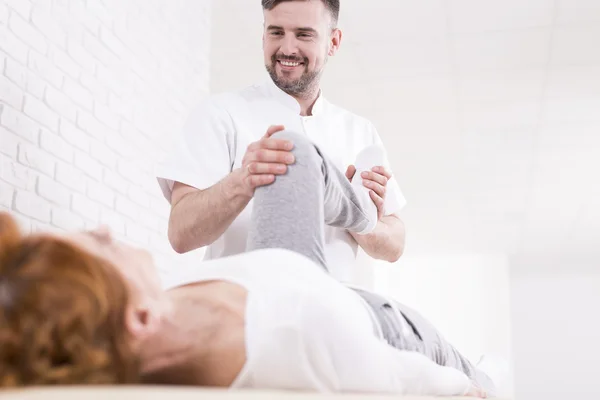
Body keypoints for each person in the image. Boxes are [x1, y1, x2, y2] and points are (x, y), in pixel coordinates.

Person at [0, 132, 494, 397]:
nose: (105, 230)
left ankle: (361, 205)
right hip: (379, 323)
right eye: (98, 246)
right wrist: (468, 389)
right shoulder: (303, 337)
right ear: (140, 318)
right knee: (479, 376)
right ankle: (366, 204)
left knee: (290, 152)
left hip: (283, 271)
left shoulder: (129, 329)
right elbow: (420, 383)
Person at [156, 0, 407, 282]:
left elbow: (395, 244)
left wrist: (352, 211)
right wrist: (243, 180)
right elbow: (180, 233)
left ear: (333, 42)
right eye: (276, 32)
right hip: (243, 313)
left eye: (304, 34)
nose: (287, 49)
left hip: (334, 315)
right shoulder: (221, 114)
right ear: (263, 34)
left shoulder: (360, 131)